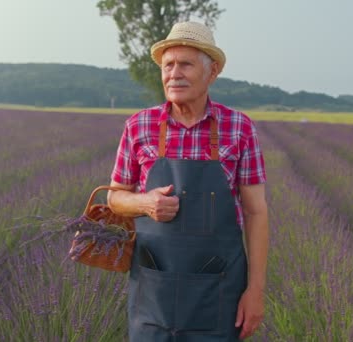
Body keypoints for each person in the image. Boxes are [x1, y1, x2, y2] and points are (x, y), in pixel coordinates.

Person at [107, 21, 269, 341]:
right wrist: (144, 202)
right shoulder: (139, 126)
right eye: (168, 65)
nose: (174, 73)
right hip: (154, 291)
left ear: (212, 72)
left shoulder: (239, 128)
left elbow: (256, 212)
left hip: (218, 291)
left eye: (185, 64)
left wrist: (256, 291)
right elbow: (114, 198)